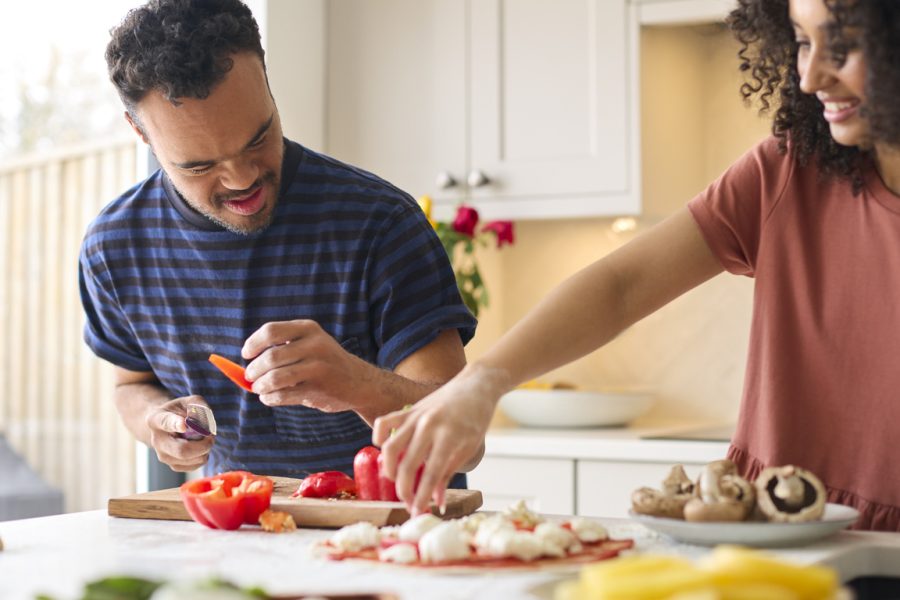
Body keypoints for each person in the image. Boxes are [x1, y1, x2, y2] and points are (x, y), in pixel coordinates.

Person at [375, 0, 900, 531]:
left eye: (840, 45)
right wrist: (480, 384)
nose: (810, 77)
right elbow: (620, 286)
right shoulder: (789, 170)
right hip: (764, 531)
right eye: (802, 42)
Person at [79, 0, 479, 483]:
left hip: (396, 539)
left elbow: (468, 438)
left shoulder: (381, 223)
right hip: (237, 535)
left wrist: (358, 384)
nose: (242, 178)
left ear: (267, 82)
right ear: (139, 132)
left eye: (258, 138)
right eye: (200, 166)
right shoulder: (115, 246)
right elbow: (131, 384)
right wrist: (155, 420)